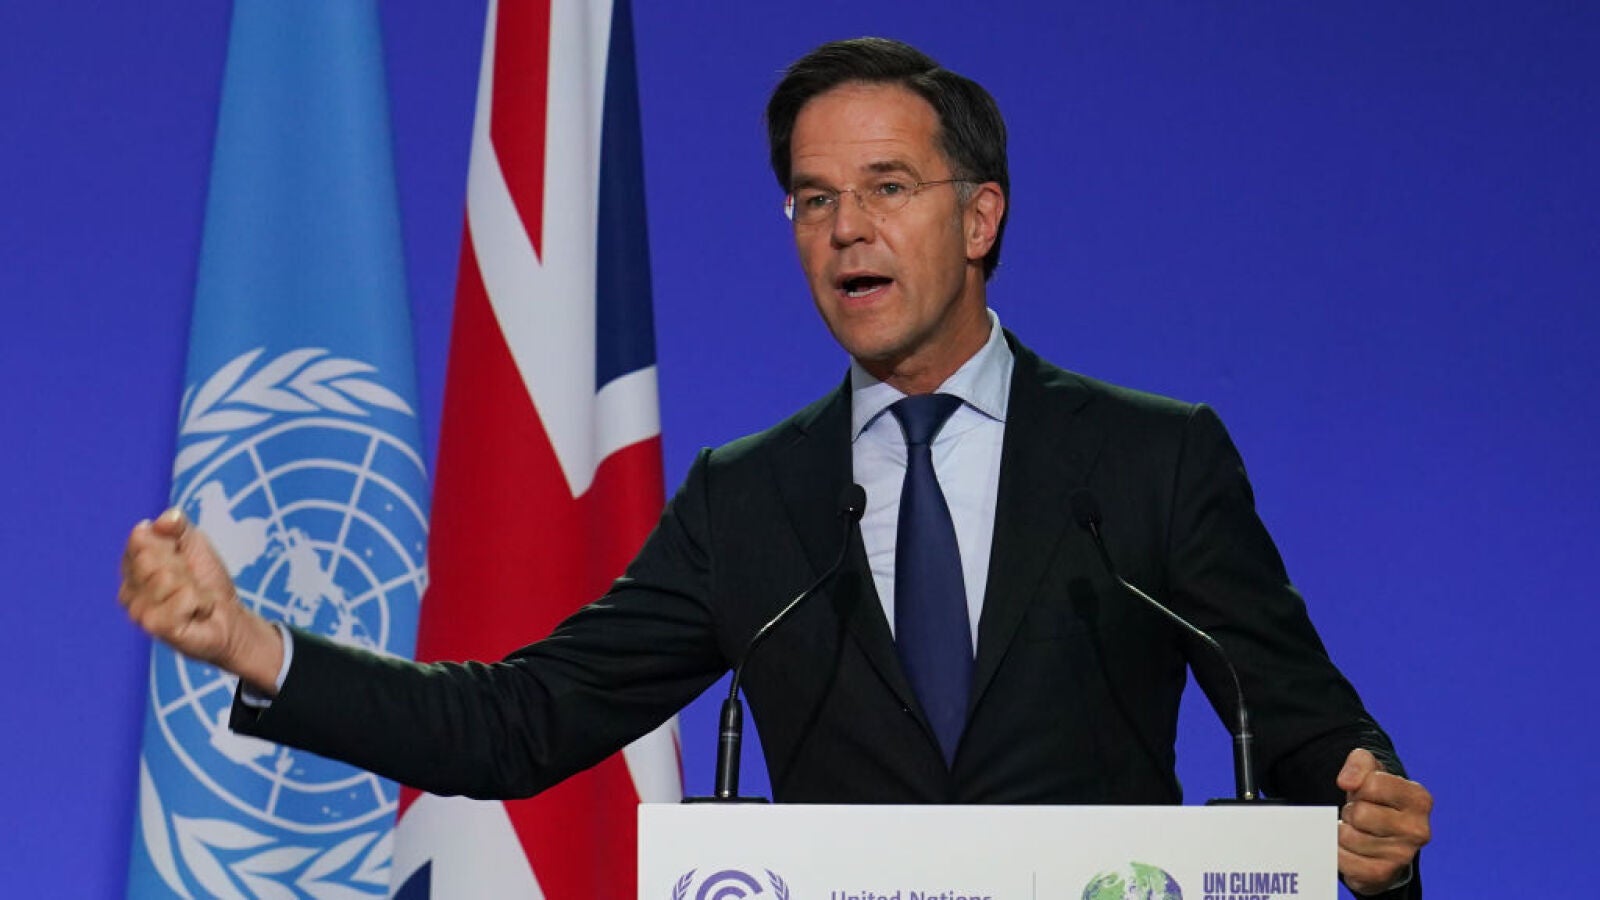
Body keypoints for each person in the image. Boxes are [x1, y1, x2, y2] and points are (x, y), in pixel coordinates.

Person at [120, 37, 1431, 897]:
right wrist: (255, 646)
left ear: (981, 216)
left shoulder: (1151, 460)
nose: (846, 229)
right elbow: (522, 724)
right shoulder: (749, 501)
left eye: (888, 188)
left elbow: (1310, 733)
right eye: (813, 199)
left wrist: (1368, 828)